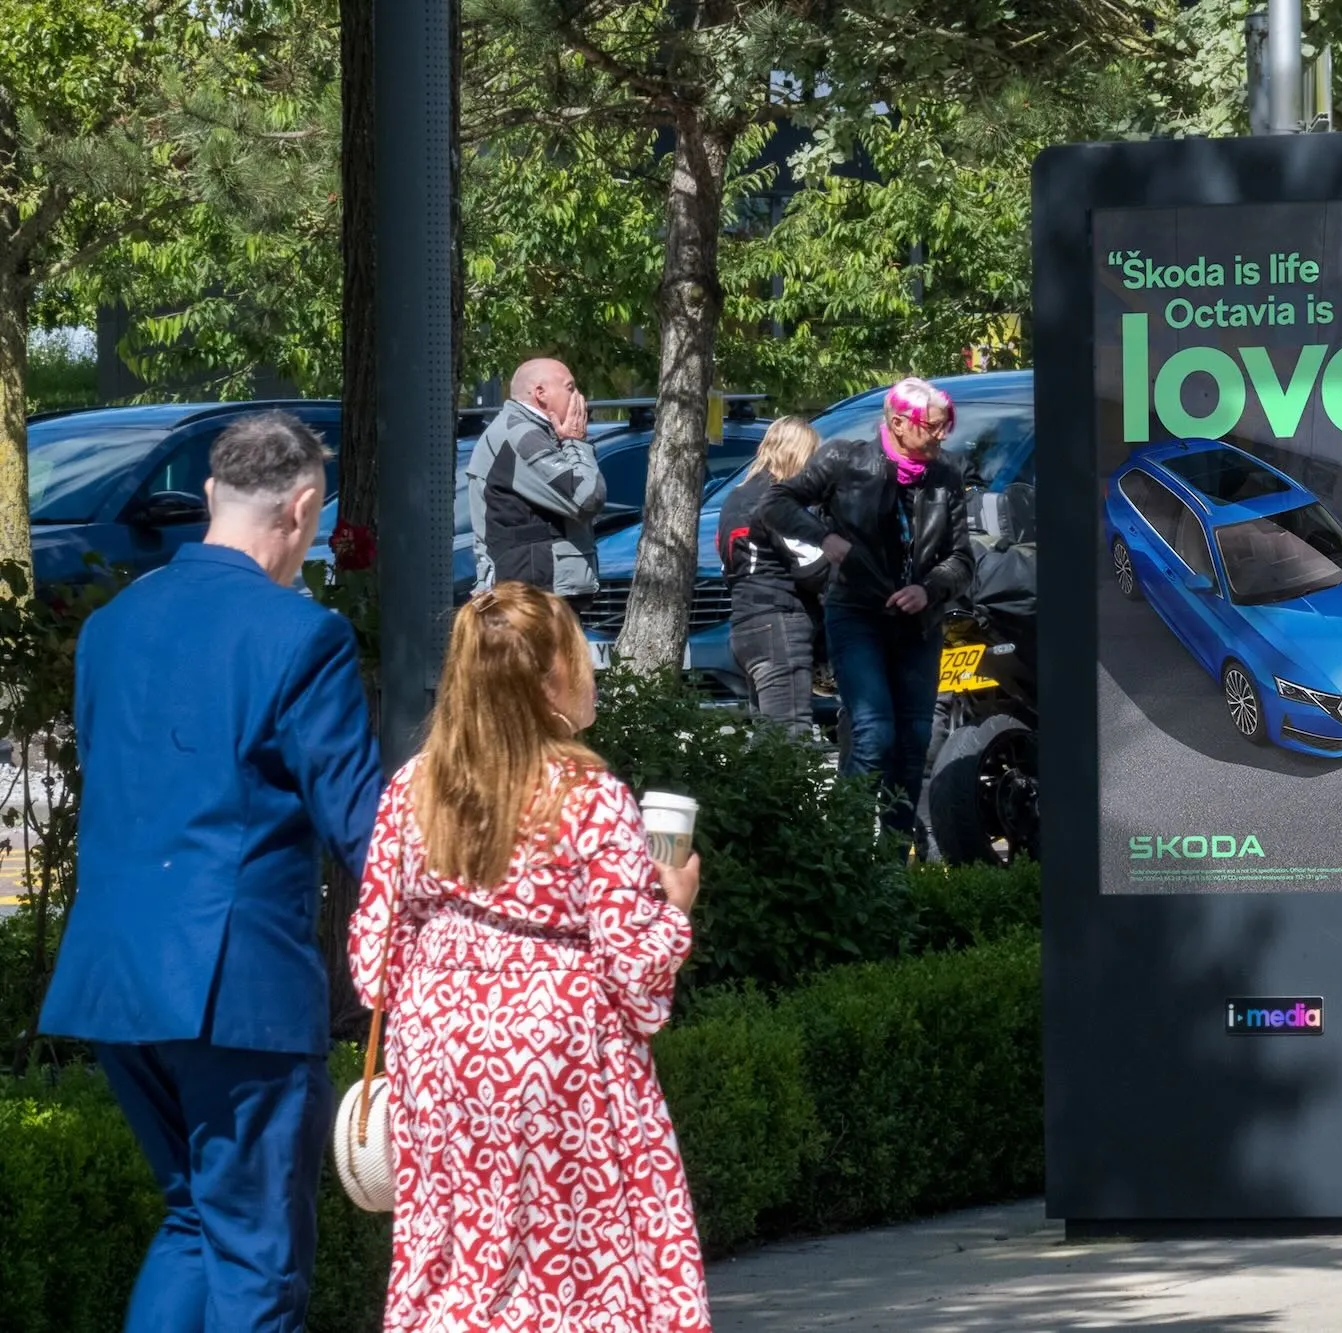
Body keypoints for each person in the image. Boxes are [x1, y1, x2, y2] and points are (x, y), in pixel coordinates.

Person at [39, 411, 383, 1332]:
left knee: (195, 1217)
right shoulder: (300, 636)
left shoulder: (110, 627)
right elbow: (366, 828)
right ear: (305, 507)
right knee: (258, 1257)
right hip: (235, 988)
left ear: (209, 499)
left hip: (115, 978)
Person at [347, 582, 710, 1331]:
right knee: (576, 1268)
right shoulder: (589, 796)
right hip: (560, 1058)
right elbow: (634, 969)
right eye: (579, 656)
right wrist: (673, 903)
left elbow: (371, 961)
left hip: (438, 1053)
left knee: (456, 1260)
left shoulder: (413, 789)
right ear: (548, 677)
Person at [762, 377, 975, 837]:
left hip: (919, 623)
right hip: (856, 612)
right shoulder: (845, 459)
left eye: (946, 426)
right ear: (898, 423)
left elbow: (962, 560)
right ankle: (847, 846)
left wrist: (930, 588)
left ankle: (893, 867)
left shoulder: (947, 475)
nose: (942, 436)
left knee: (916, 739)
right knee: (875, 731)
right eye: (933, 427)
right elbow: (777, 502)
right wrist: (824, 537)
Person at [467, 356, 605, 615]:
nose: (579, 397)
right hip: (532, 601)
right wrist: (576, 443)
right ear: (540, 393)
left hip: (539, 593)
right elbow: (587, 498)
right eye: (570, 388)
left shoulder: (536, 432)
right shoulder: (522, 435)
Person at [718, 415, 829, 736]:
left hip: (744, 628)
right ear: (798, 456)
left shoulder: (734, 498)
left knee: (770, 745)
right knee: (791, 738)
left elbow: (729, 568)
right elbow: (814, 567)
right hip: (779, 626)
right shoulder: (776, 500)